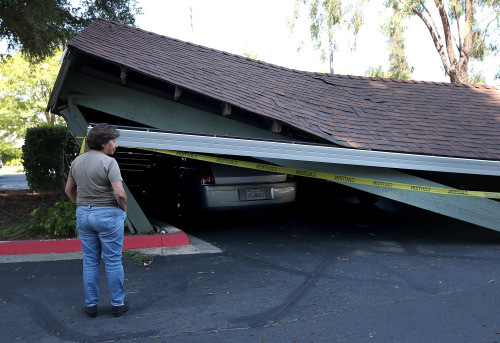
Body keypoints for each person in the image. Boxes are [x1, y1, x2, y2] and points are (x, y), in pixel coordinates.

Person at [65, 123, 129, 318]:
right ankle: (117, 304)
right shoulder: (109, 163)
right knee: (112, 261)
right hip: (108, 214)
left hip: (84, 215)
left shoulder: (77, 161)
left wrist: (82, 206)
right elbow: (120, 194)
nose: (116, 145)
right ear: (103, 142)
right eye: (113, 141)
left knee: (90, 262)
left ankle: (91, 305)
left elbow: (69, 190)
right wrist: (123, 210)